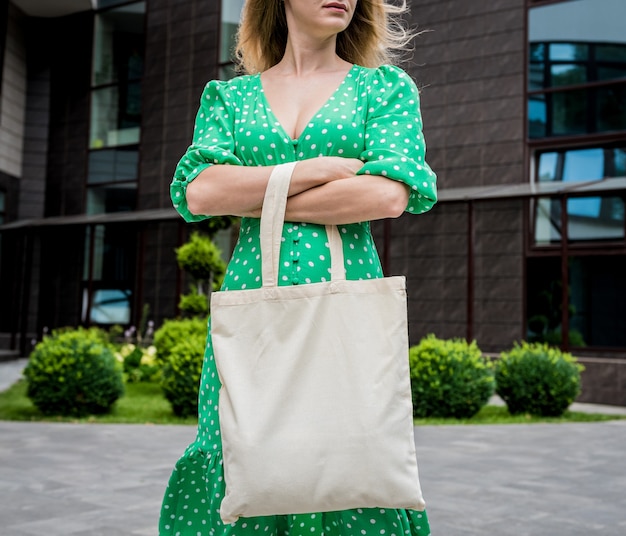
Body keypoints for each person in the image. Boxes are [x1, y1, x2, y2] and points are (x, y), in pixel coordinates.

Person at [159, 0, 437, 534]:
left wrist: (257, 192)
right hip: (252, 304)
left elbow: (388, 195)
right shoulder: (229, 96)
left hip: (344, 301)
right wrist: (313, 171)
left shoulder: (384, 88)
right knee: (244, 450)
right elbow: (200, 190)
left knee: (346, 454)